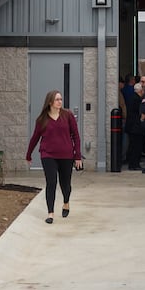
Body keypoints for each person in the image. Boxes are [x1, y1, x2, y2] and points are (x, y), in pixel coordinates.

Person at [24, 90, 82, 224]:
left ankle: (66, 202)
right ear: (50, 102)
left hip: (66, 155)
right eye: (57, 99)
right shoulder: (42, 119)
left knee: (65, 184)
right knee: (51, 183)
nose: (60, 102)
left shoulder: (68, 115)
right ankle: (50, 213)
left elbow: (76, 136)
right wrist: (28, 154)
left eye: (61, 99)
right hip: (48, 154)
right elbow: (35, 138)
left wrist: (77, 156)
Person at [117, 74, 143, 170]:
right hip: (135, 126)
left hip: (130, 125)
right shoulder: (137, 99)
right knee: (135, 145)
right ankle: (133, 164)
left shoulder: (131, 96)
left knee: (131, 144)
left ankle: (130, 161)